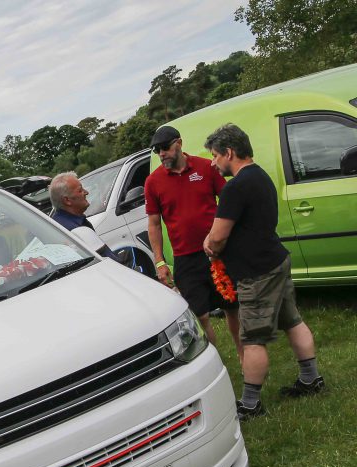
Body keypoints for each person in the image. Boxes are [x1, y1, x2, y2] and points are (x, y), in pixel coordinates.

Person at [202, 123, 324, 419]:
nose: (213, 163)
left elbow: (217, 237)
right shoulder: (261, 175)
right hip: (276, 260)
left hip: (257, 273)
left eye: (215, 156)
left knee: (252, 338)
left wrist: (209, 244)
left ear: (229, 152)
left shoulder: (236, 187)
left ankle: (250, 404)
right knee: (292, 319)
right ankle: (311, 378)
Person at [144, 125, 242, 359]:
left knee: (232, 306)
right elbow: (154, 224)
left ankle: (242, 352)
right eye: (157, 150)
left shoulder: (206, 167)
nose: (162, 154)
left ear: (179, 143)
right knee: (201, 315)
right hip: (185, 258)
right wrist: (159, 262)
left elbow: (228, 201)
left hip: (219, 251)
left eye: (165, 148)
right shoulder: (153, 182)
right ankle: (215, 360)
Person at [48, 172, 121, 261]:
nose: (86, 192)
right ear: (67, 200)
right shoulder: (72, 230)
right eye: (80, 190)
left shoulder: (64, 224)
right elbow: (105, 261)